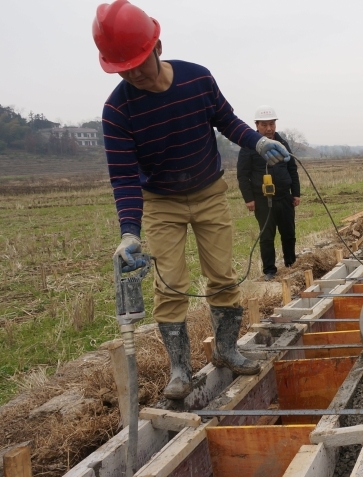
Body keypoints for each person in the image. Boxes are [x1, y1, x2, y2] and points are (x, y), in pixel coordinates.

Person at [94, 0, 292, 400]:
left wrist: (258, 140)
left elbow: (227, 119)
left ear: (157, 46)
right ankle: (180, 371)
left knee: (221, 275)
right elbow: (124, 177)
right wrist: (129, 233)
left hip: (208, 191)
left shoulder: (196, 79)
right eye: (122, 68)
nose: (133, 73)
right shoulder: (118, 110)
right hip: (162, 200)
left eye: (138, 62)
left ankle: (226, 349)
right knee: (170, 285)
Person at [237, 105, 301, 281]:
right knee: (267, 236)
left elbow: (292, 169)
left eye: (271, 124)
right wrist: (249, 199)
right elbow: (243, 175)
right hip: (263, 200)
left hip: (284, 197)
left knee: (289, 233)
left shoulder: (283, 143)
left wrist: (295, 193)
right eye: (264, 125)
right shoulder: (248, 146)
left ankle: (290, 264)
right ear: (257, 125)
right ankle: (270, 270)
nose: (269, 128)